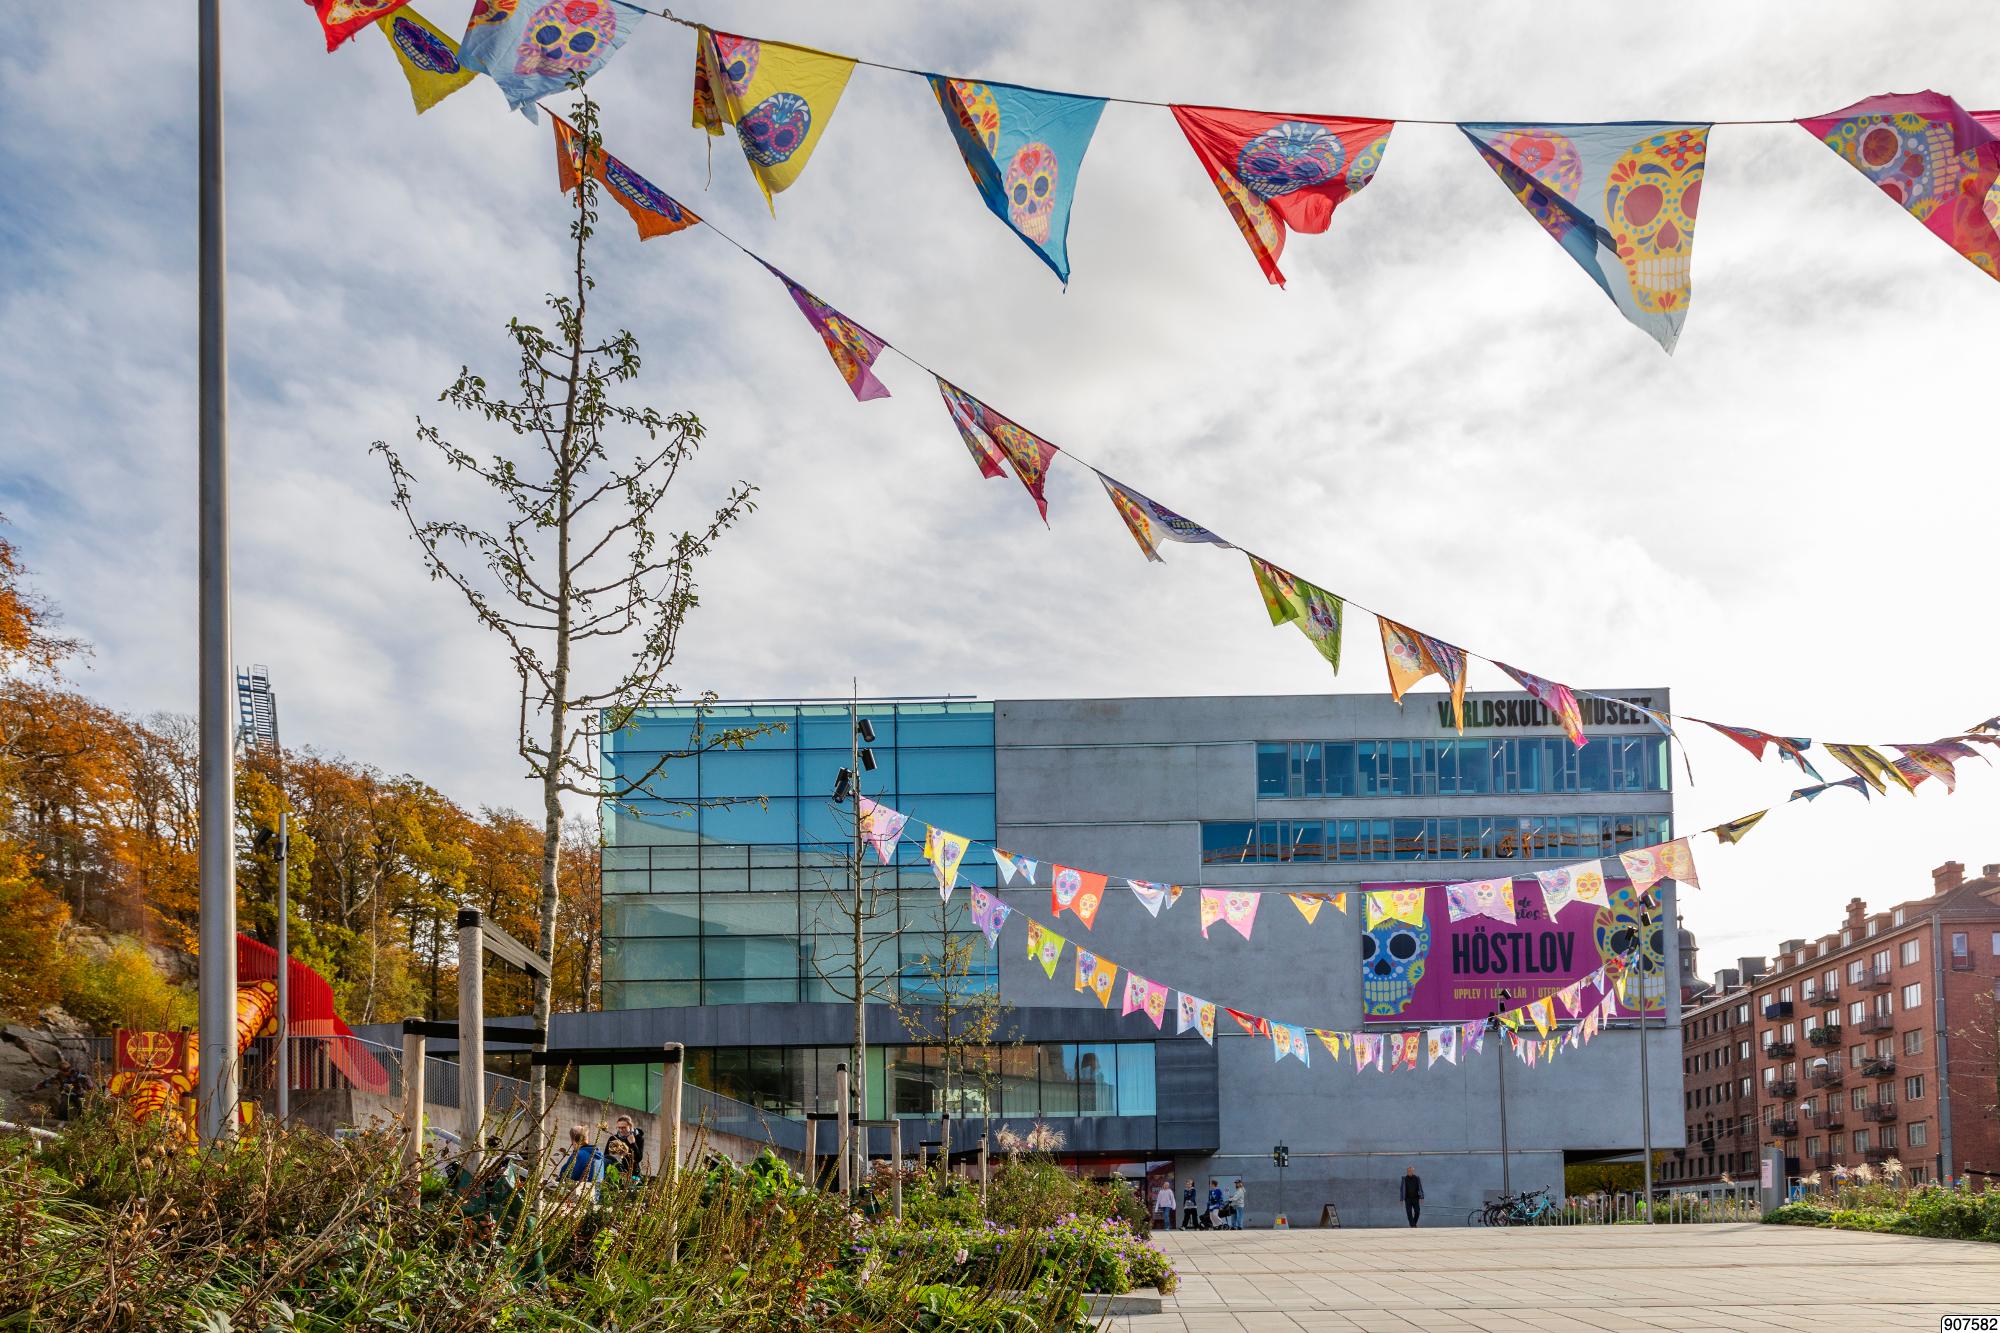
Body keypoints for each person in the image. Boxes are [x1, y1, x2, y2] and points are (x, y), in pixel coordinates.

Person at [609, 1113, 647, 1178]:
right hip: (616, 1172)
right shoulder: (613, 1138)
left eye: (624, 1127)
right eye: (619, 1127)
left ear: (630, 1126)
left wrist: (633, 1143)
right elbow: (606, 1155)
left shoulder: (638, 1138)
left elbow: (639, 1158)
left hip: (633, 1173)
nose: (621, 1130)